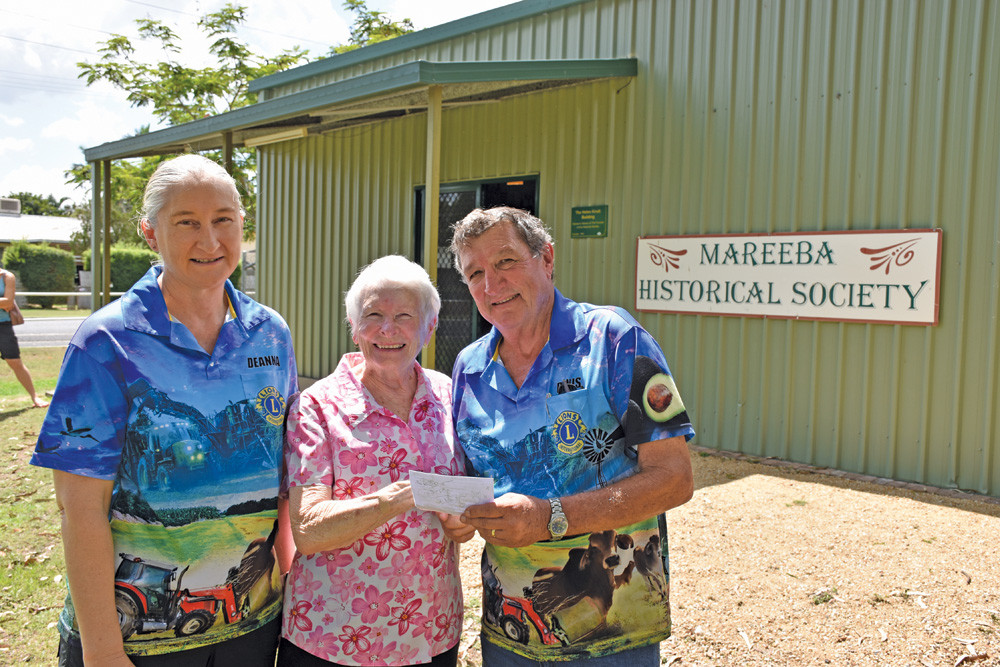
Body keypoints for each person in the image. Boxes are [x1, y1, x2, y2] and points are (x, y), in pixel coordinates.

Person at [31, 154, 298, 667]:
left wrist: (283, 582)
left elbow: (282, 475)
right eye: (187, 223)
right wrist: (104, 651)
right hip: (134, 644)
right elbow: (80, 509)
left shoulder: (271, 333)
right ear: (150, 232)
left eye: (223, 220)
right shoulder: (106, 342)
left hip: (251, 627)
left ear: (244, 224)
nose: (210, 240)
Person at [448, 207, 695, 665]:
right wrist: (460, 516)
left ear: (547, 258)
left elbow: (675, 478)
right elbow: (470, 484)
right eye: (474, 273)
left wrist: (551, 517)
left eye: (505, 262)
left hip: (611, 637)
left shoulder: (615, 339)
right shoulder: (469, 368)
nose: (491, 285)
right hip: (510, 631)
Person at [279, 255, 470, 667]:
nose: (388, 329)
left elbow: (460, 527)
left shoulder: (448, 395)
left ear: (429, 326)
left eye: (404, 315)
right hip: (334, 638)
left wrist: (461, 521)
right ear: (354, 327)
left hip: (431, 633)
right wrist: (401, 497)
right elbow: (309, 530)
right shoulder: (317, 407)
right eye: (373, 315)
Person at [0, 264, 49, 408]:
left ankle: (35, 398)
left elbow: (8, 302)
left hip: (3, 325)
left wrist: (4, 303)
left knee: (15, 362)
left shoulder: (7, 277)